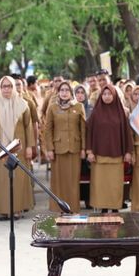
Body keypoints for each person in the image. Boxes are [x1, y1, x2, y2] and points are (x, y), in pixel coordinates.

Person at [0, 76, 36, 220]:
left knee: (18, 179)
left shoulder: (23, 104)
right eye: (4, 86)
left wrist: (30, 147)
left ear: (14, 87)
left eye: (9, 86)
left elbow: (28, 126)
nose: (6, 89)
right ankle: (4, 211)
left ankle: (17, 210)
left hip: (18, 146)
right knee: (2, 180)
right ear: (0, 88)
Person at [85, 85, 133, 212]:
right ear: (101, 96)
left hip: (117, 155)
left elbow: (127, 133)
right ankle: (103, 207)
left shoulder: (121, 113)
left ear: (114, 95)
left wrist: (128, 151)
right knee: (101, 184)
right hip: (99, 156)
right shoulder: (96, 113)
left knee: (114, 184)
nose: (107, 96)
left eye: (109, 94)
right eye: (104, 94)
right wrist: (89, 151)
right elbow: (88, 132)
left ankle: (115, 206)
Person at [43, 82, 86, 213]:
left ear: (71, 93)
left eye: (67, 90)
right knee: (58, 181)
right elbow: (48, 129)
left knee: (73, 181)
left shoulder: (79, 106)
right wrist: (49, 148)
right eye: (62, 90)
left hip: (74, 148)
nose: (64, 92)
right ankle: (59, 207)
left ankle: (73, 207)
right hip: (58, 149)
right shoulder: (52, 108)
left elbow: (83, 129)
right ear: (58, 92)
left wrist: (84, 148)